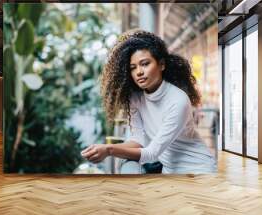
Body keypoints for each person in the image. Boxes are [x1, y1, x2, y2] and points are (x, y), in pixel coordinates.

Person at [81, 29, 217, 174]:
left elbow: (151, 153)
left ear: (162, 64)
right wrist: (103, 148)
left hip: (199, 171)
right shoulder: (136, 98)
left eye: (145, 64)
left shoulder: (178, 100)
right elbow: (138, 140)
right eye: (133, 68)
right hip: (169, 172)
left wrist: (108, 150)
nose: (139, 72)